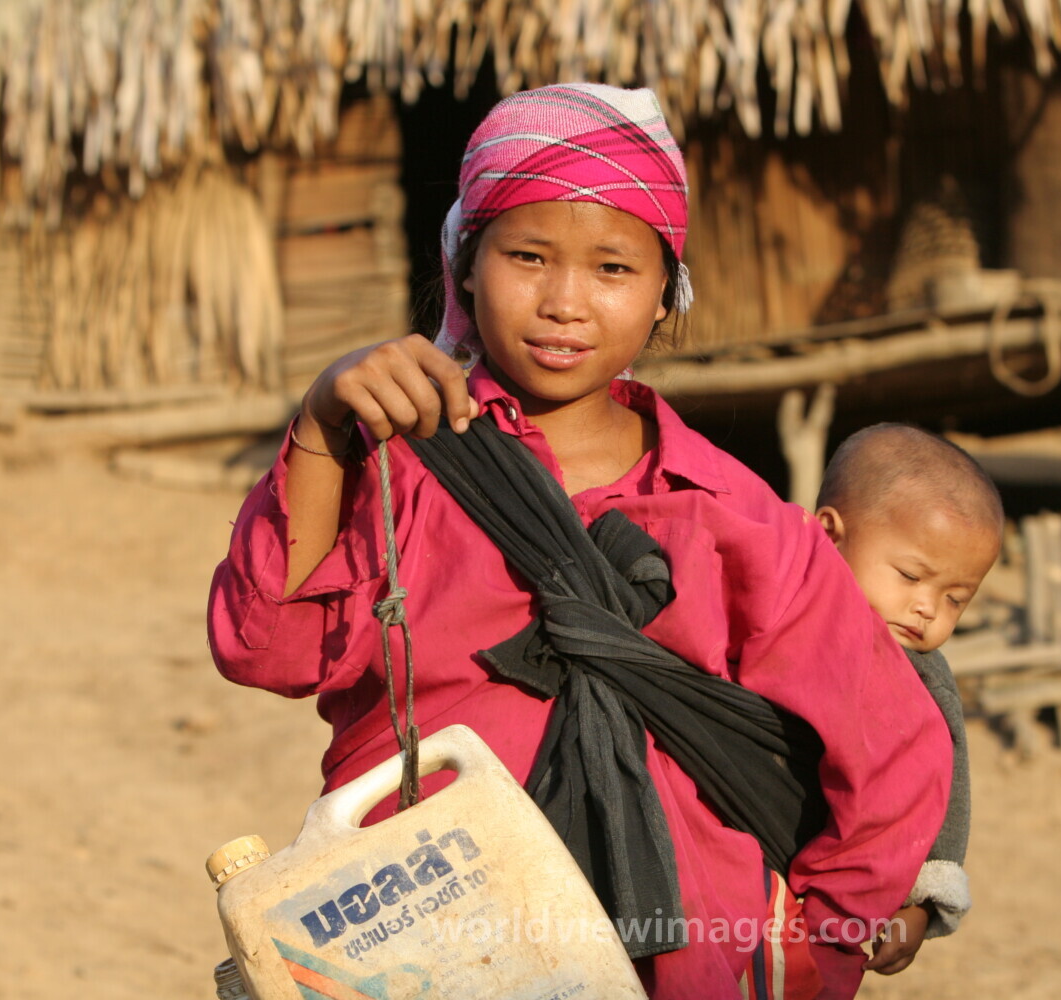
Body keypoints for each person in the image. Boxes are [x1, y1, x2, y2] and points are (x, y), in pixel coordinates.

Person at [207, 83, 951, 1000]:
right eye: (528, 256)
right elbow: (266, 650)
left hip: (681, 956)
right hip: (421, 941)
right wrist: (322, 424)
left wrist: (812, 946)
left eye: (612, 270)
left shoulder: (732, 512)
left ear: (663, 297)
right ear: (464, 265)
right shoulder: (403, 468)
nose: (566, 301)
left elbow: (893, 746)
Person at [813, 423, 1004, 978]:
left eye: (955, 599)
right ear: (830, 535)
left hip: (839, 892)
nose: (926, 608)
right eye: (911, 576)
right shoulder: (771, 611)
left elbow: (948, 783)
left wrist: (924, 896)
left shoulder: (922, 678)